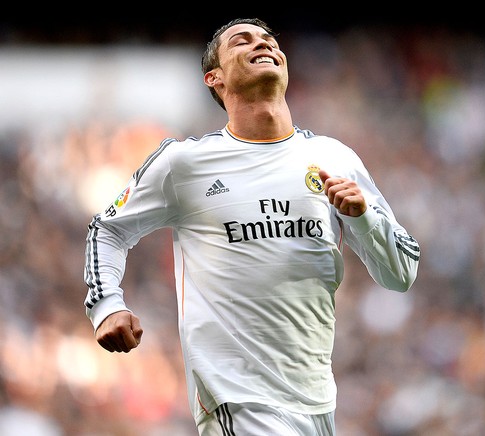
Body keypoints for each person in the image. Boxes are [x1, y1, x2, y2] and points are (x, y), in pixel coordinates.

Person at [83, 17, 420, 435]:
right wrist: (107, 305)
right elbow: (108, 228)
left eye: (268, 40)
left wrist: (364, 217)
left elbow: (401, 272)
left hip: (316, 400)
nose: (262, 44)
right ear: (215, 78)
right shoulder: (184, 163)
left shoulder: (334, 157)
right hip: (237, 398)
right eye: (242, 42)